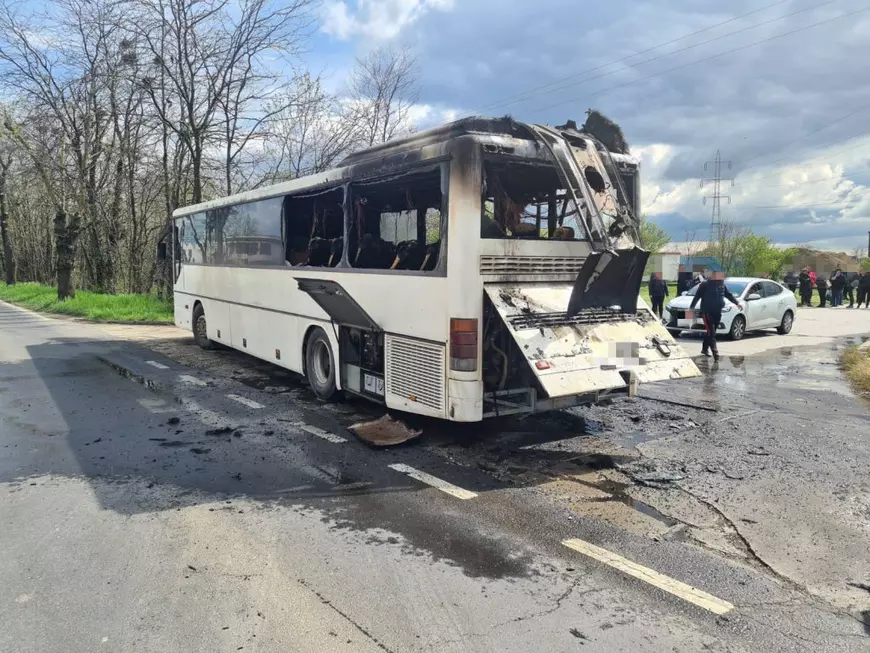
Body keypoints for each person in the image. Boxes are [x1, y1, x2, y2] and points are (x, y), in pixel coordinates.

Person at [689, 270, 743, 361]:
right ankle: (715, 352)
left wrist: (737, 303)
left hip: (717, 311)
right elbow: (696, 297)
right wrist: (691, 309)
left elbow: (728, 295)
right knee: (711, 332)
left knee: (711, 332)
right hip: (707, 312)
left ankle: (704, 349)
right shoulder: (705, 285)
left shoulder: (722, 285)